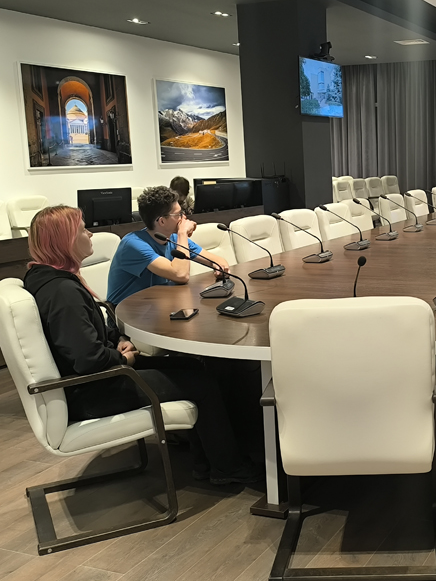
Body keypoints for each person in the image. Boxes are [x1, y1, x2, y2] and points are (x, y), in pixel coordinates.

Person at [23, 206, 260, 485]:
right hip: (93, 390)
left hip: (99, 376)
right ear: (64, 240)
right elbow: (88, 359)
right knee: (203, 383)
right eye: (83, 230)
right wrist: (124, 359)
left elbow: (90, 335)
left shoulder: (53, 279)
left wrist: (120, 341)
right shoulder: (62, 292)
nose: (90, 234)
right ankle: (227, 468)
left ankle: (205, 462)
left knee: (195, 366)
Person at [107, 186, 229, 305]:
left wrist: (220, 267)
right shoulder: (133, 244)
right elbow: (180, 275)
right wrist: (182, 233)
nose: (184, 218)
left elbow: (218, 260)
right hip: (126, 312)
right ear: (162, 221)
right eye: (179, 214)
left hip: (157, 306)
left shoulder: (173, 238)